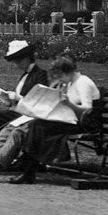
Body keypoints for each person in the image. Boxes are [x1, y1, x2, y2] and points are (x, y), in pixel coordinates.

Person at [10, 56, 100, 184]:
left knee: (38, 127)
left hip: (84, 123)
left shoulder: (83, 82)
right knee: (36, 124)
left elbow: (88, 109)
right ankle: (29, 169)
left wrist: (69, 104)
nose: (60, 81)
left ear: (67, 72)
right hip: (70, 119)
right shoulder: (71, 82)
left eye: (60, 77)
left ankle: (28, 170)